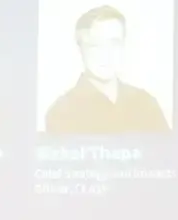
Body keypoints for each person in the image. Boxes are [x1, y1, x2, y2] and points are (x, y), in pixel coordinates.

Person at [43, 5, 170, 134]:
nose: (106, 54)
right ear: (80, 49)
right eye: (95, 45)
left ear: (123, 46)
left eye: (114, 43)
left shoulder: (146, 104)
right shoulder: (62, 113)